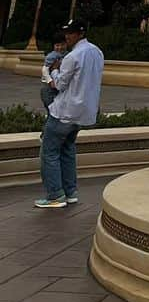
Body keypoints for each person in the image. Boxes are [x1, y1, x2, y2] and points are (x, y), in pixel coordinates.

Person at [36, 18, 104, 209]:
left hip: (64, 111)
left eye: (71, 33)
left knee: (48, 152)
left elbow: (59, 84)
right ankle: (70, 192)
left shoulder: (72, 57)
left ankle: (55, 195)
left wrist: (55, 72)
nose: (67, 36)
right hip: (83, 114)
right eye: (66, 33)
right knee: (67, 150)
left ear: (80, 34)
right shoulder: (97, 52)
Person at [39, 33, 67, 110]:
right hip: (50, 86)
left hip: (59, 85)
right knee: (52, 109)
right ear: (53, 46)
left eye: (62, 45)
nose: (60, 47)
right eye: (57, 45)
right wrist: (50, 81)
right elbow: (45, 69)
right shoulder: (52, 56)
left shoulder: (68, 55)